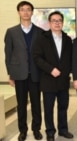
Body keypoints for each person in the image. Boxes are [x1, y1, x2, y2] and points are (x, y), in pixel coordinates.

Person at [4, 1, 43, 140]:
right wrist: (10, 74)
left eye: (28, 10)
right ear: (18, 12)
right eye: (22, 10)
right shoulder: (11, 32)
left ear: (32, 12)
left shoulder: (40, 32)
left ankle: (36, 129)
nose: (25, 12)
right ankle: (23, 131)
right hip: (19, 74)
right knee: (21, 104)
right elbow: (8, 54)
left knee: (36, 104)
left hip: (36, 74)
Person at [32, 11, 73, 141]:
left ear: (63, 22)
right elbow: (37, 58)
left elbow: (70, 59)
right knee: (48, 109)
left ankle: (63, 130)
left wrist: (68, 73)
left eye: (59, 20)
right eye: (54, 20)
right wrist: (50, 69)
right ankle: (50, 132)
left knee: (63, 107)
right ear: (49, 23)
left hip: (63, 81)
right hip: (48, 80)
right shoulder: (42, 38)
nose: (57, 23)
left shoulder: (67, 39)